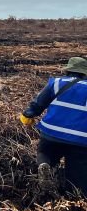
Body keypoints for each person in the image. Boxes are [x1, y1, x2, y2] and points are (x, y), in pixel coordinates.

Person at [19, 56, 87, 195]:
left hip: (52, 133)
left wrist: (27, 116)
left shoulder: (56, 83)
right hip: (80, 140)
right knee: (77, 174)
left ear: (68, 70)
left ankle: (46, 166)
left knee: (44, 153)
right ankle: (74, 199)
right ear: (84, 72)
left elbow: (39, 103)